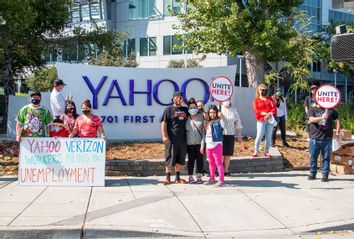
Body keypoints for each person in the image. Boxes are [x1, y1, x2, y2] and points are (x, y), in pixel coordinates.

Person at [307, 101, 340, 182]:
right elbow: (311, 119)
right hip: (315, 138)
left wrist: (337, 132)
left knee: (326, 157)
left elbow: (338, 120)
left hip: (327, 138)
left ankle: (325, 174)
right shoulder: (312, 109)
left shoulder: (331, 110)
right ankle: (313, 173)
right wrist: (321, 118)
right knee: (313, 157)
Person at [161, 92, 189, 185]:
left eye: (180, 98)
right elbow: (164, 123)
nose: (178, 100)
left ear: (182, 99)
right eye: (176, 98)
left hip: (183, 139)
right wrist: (164, 136)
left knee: (180, 159)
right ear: (173, 99)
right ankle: (167, 178)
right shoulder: (168, 109)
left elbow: (195, 113)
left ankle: (178, 178)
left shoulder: (185, 109)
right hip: (171, 139)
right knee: (169, 158)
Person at [200, 105, 225, 187]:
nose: (212, 114)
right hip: (208, 145)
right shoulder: (206, 122)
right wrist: (202, 145)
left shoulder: (219, 121)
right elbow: (204, 135)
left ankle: (221, 180)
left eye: (214, 112)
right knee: (211, 163)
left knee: (218, 163)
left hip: (217, 144)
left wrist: (222, 117)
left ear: (217, 113)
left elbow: (224, 126)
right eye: (210, 112)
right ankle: (212, 178)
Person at [253, 84, 277, 158]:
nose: (263, 91)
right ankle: (256, 151)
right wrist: (264, 113)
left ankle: (266, 151)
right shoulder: (256, 100)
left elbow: (274, 108)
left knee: (268, 136)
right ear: (258, 91)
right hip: (261, 120)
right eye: (262, 90)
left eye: (265, 90)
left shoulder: (270, 99)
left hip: (269, 120)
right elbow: (256, 110)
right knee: (259, 135)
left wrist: (269, 113)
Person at [220, 100, 243, 176]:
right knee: (221, 154)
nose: (227, 100)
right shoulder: (219, 108)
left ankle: (226, 170)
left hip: (230, 134)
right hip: (220, 134)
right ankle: (219, 170)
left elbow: (238, 123)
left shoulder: (234, 109)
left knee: (227, 153)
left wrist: (239, 135)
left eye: (229, 98)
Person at [185, 98, 204, 183]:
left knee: (200, 160)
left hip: (200, 143)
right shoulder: (186, 118)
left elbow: (204, 131)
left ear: (197, 107)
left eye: (194, 107)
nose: (192, 109)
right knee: (191, 160)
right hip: (189, 143)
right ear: (188, 109)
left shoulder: (201, 116)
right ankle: (190, 176)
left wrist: (203, 144)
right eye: (191, 107)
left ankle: (199, 176)